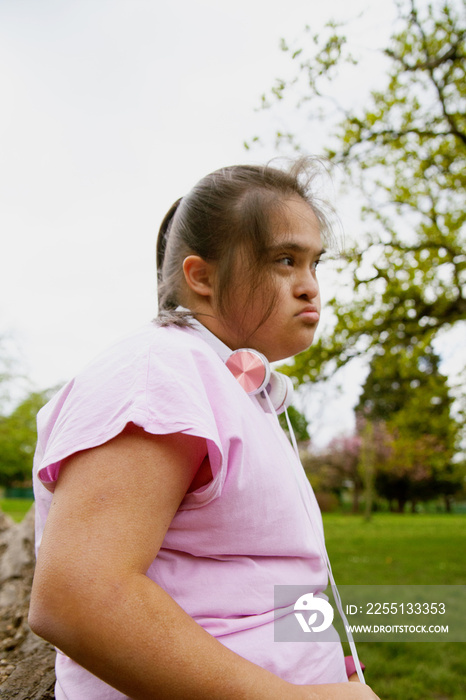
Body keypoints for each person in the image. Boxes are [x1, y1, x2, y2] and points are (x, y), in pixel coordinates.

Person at [29, 160, 381, 699]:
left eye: (315, 263)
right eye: (285, 260)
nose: (310, 287)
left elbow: (256, 585)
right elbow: (77, 598)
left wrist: (338, 663)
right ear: (202, 277)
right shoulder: (157, 372)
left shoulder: (234, 386)